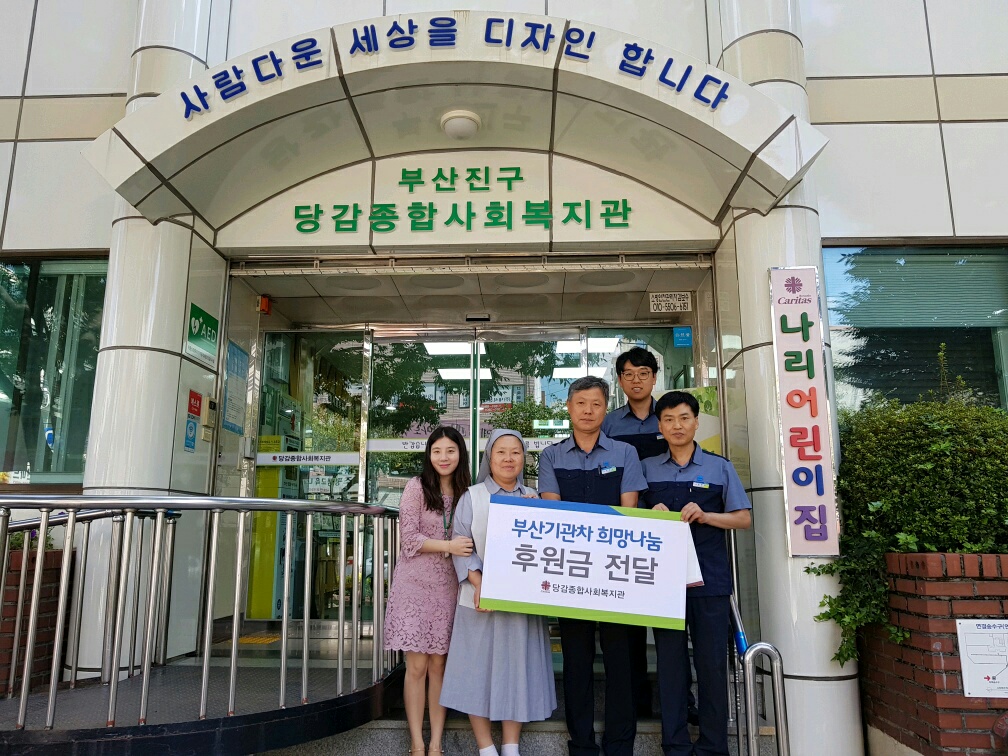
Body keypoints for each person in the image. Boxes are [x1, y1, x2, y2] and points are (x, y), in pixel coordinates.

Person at [537, 376, 647, 756]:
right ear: (568, 408)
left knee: (621, 661)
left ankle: (620, 745)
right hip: (572, 572)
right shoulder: (551, 456)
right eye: (581, 403)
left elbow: (630, 511)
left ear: (605, 408)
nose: (588, 410)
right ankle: (581, 745)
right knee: (576, 661)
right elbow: (552, 513)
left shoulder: (625, 454)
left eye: (596, 403)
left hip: (616, 572)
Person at [641, 391, 752, 756]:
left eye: (684, 418)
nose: (677, 425)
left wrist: (706, 516)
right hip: (663, 583)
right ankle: (674, 745)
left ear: (696, 423)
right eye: (669, 419)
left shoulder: (719, 467)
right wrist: (649, 513)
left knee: (712, 666)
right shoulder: (647, 468)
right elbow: (630, 516)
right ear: (660, 427)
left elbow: (743, 518)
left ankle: (713, 747)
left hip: (710, 581)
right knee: (670, 667)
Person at [440, 428, 556, 756]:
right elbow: (462, 546)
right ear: (489, 459)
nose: (508, 459)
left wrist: (541, 514)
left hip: (521, 603)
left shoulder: (534, 497)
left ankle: (511, 745)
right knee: (476, 670)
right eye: (500, 452)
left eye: (515, 452)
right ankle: (486, 747)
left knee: (518, 670)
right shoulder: (472, 496)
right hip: (479, 599)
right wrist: (481, 585)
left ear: (524, 459)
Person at [384, 427, 475, 756]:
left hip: (449, 588)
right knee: (417, 667)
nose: (443, 457)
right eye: (437, 451)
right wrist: (449, 545)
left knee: (439, 667)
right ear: (429, 455)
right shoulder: (416, 487)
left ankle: (436, 743)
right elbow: (408, 539)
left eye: (450, 451)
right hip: (413, 587)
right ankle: (417, 742)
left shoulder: (468, 492)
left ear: (461, 454)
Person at [601, 346, 664, 718]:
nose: (636, 380)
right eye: (628, 374)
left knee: (670, 619)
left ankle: (680, 701)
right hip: (624, 528)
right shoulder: (610, 423)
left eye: (643, 373)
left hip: (667, 524)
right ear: (620, 381)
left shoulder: (669, 414)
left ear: (654, 377)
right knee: (629, 621)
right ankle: (636, 700)